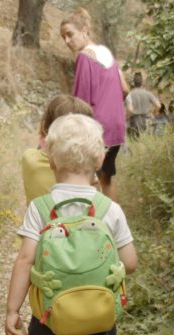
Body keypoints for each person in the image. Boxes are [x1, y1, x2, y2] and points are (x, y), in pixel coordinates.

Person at [5, 114, 138, 335]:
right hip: (96, 321)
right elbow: (130, 261)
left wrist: (12, 310)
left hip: (50, 316)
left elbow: (24, 259)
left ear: (50, 159)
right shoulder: (110, 210)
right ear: (98, 160)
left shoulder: (41, 209)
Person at [60, 8, 127, 202]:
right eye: (63, 37)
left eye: (70, 34)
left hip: (98, 129)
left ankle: (91, 226)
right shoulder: (106, 54)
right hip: (116, 127)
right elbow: (124, 88)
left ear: (85, 30)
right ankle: (115, 225)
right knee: (106, 181)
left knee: (84, 181)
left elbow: (80, 103)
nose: (67, 41)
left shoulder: (84, 57)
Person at [20, 94, 94, 205]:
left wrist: (45, 133)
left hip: (38, 222)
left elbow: (43, 148)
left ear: (45, 128)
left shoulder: (29, 159)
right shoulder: (87, 172)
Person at [125, 72, 161, 139]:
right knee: (145, 142)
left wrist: (126, 118)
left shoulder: (130, 94)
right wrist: (153, 114)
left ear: (134, 82)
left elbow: (129, 109)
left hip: (134, 122)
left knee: (134, 143)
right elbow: (158, 105)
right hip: (146, 121)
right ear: (142, 82)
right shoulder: (148, 93)